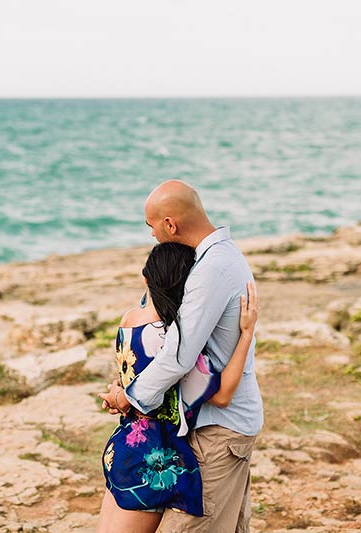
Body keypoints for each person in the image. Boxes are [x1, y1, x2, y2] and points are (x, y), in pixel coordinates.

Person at [100, 180, 264, 532]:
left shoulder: (211, 268)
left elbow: (178, 354)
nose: (154, 237)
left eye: (153, 228)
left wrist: (131, 398)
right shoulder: (218, 258)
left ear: (170, 225)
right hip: (218, 419)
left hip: (221, 426)